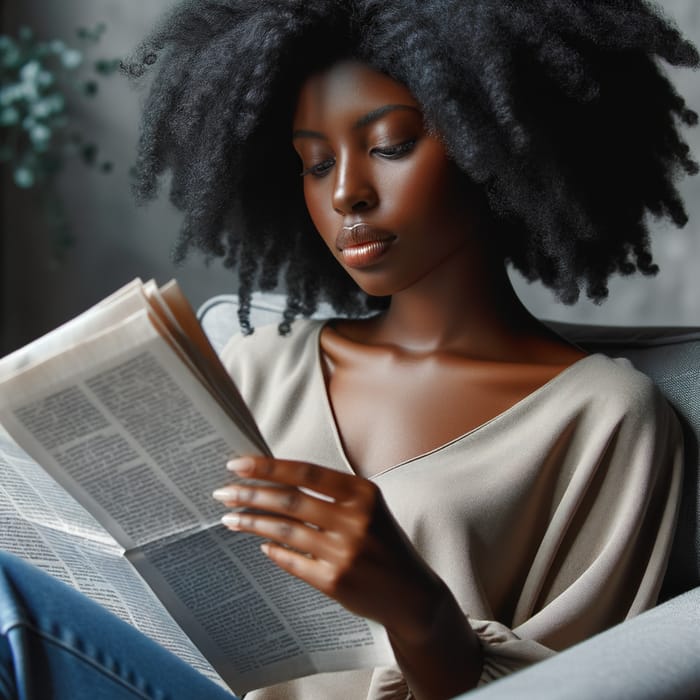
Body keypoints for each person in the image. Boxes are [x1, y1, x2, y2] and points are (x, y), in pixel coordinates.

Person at [0, 1, 696, 699]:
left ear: (502, 143)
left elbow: (587, 684)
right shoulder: (256, 362)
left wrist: (420, 614)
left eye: (391, 145)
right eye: (314, 162)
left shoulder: (603, 416)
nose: (346, 193)